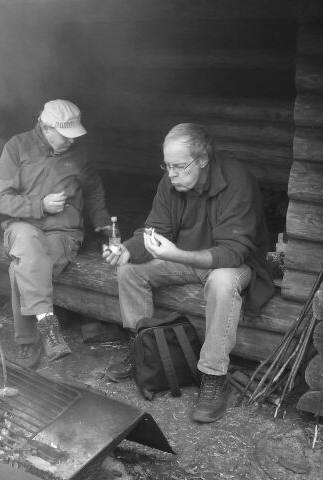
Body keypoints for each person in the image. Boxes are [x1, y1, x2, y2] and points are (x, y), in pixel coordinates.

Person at [103, 123, 274, 423]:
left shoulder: (236, 181)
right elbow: (156, 229)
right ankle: (144, 353)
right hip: (185, 257)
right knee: (129, 270)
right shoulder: (170, 182)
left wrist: (178, 254)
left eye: (179, 166)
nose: (171, 174)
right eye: (167, 165)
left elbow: (234, 251)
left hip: (231, 263)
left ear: (203, 159)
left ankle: (212, 377)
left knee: (222, 283)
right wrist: (128, 249)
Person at [0, 99, 111, 369]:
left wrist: (102, 221)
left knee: (21, 268)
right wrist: (39, 205)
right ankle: (49, 328)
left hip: (63, 231)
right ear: (46, 127)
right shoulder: (17, 147)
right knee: (26, 244)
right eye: (66, 135)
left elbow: (93, 190)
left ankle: (27, 341)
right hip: (22, 225)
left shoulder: (79, 154)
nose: (71, 141)